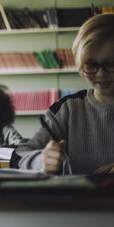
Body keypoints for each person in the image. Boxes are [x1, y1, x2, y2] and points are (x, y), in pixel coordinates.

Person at [13, 13, 114, 175]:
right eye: (90, 65)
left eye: (110, 64)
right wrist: (41, 160)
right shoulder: (67, 109)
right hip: (77, 200)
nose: (101, 74)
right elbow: (18, 155)